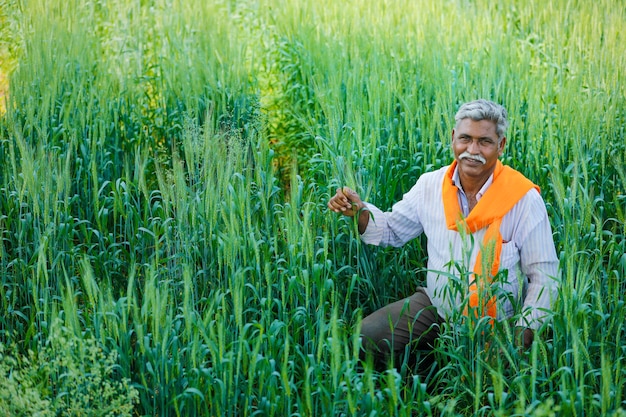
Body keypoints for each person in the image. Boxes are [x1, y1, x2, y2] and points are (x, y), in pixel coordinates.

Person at [327, 99, 559, 369]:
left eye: (484, 141)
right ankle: (407, 385)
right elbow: (391, 230)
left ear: (501, 145)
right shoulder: (430, 186)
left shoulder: (523, 199)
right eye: (465, 138)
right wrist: (360, 212)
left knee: (489, 388)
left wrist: (519, 338)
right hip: (438, 305)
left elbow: (544, 278)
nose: (472, 150)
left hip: (498, 321)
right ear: (453, 138)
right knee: (365, 338)